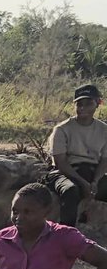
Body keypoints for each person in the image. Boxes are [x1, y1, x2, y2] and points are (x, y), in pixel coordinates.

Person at [45, 84, 107, 227]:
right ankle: (67, 235)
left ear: (98, 103)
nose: (82, 108)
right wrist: (83, 183)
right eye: (79, 104)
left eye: (88, 103)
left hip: (92, 172)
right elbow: (60, 162)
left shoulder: (104, 130)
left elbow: (104, 160)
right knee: (71, 191)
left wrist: (95, 182)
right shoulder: (62, 129)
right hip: (67, 172)